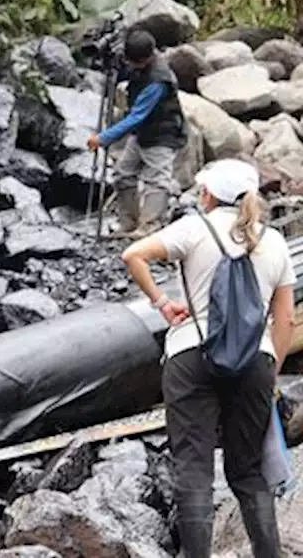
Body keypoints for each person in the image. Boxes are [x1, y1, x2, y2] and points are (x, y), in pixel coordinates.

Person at [120, 159, 295, 558]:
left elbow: (134, 254)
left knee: (193, 468)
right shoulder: (274, 241)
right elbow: (285, 318)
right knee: (249, 472)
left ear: (208, 194)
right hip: (256, 362)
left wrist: (163, 303)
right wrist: (272, 373)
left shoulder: (194, 227)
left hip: (191, 354)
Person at [87, 28, 187, 237]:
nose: (130, 65)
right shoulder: (138, 61)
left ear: (146, 58)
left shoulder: (159, 80)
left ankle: (149, 227)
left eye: (133, 62)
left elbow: (136, 117)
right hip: (143, 133)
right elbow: (122, 74)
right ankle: (129, 223)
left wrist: (103, 138)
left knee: (157, 180)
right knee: (123, 174)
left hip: (163, 134)